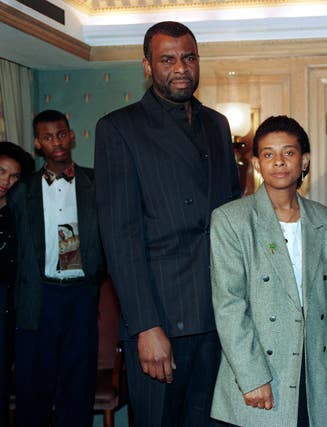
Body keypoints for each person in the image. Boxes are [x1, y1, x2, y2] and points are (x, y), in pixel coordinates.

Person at [95, 21, 241, 427]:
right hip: (161, 318)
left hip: (218, 316)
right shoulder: (119, 128)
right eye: (168, 59)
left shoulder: (217, 124)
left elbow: (231, 214)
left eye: (189, 57)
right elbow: (120, 237)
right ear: (147, 66)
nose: (181, 67)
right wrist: (145, 326)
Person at [209, 115, 327, 426]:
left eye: (288, 153)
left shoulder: (326, 222)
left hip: (315, 366)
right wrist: (251, 376)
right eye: (268, 154)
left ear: (304, 161)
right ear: (257, 164)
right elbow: (229, 305)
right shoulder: (232, 220)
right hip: (260, 366)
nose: (279, 162)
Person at [9, 110, 105, 427]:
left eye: (61, 134)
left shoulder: (98, 182)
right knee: (34, 389)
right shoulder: (20, 192)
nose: (57, 142)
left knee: (78, 387)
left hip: (82, 296)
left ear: (72, 136)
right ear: (38, 144)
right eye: (48, 137)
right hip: (39, 297)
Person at [0, 141, 34, 424]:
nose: (5, 182)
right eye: (0, 172)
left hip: (7, 308)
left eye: (13, 176)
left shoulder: (18, 215)